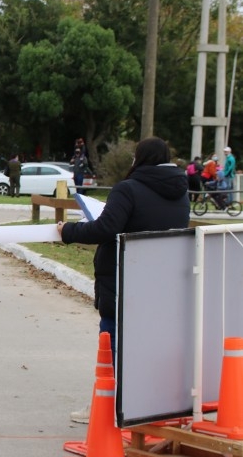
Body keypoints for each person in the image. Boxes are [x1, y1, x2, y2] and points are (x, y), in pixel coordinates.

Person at [57, 137, 189, 423]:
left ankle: (108, 407)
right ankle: (149, 406)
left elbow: (106, 228)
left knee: (112, 343)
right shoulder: (181, 191)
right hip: (162, 282)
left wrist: (68, 230)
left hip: (123, 279)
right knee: (149, 346)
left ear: (139, 159)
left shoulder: (127, 189)